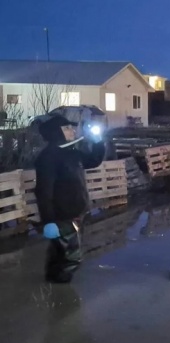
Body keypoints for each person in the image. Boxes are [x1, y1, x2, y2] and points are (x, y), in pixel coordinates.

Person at [34, 114, 105, 283]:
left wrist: (98, 143)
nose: (72, 130)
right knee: (71, 257)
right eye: (67, 128)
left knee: (60, 252)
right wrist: (49, 220)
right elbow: (44, 191)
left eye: (71, 127)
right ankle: (60, 294)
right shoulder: (48, 157)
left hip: (76, 212)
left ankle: (53, 279)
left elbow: (93, 161)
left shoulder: (72, 153)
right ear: (57, 132)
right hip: (62, 216)